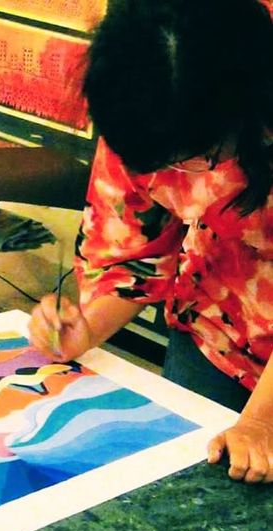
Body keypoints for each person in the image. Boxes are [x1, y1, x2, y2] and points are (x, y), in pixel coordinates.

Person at [29, 0, 273, 484]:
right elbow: (131, 251)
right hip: (214, 332)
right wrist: (88, 327)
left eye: (195, 158)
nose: (174, 182)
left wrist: (262, 422)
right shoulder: (143, 98)